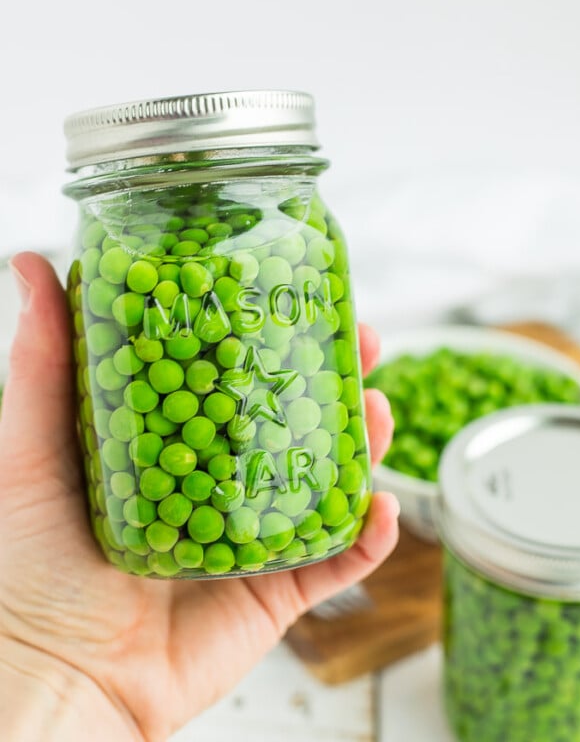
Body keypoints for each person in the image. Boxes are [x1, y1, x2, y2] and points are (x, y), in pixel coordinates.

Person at [0, 252, 399, 742]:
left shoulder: (292, 254)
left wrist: (62, 673)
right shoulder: (121, 273)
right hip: (108, 600)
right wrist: (55, 658)